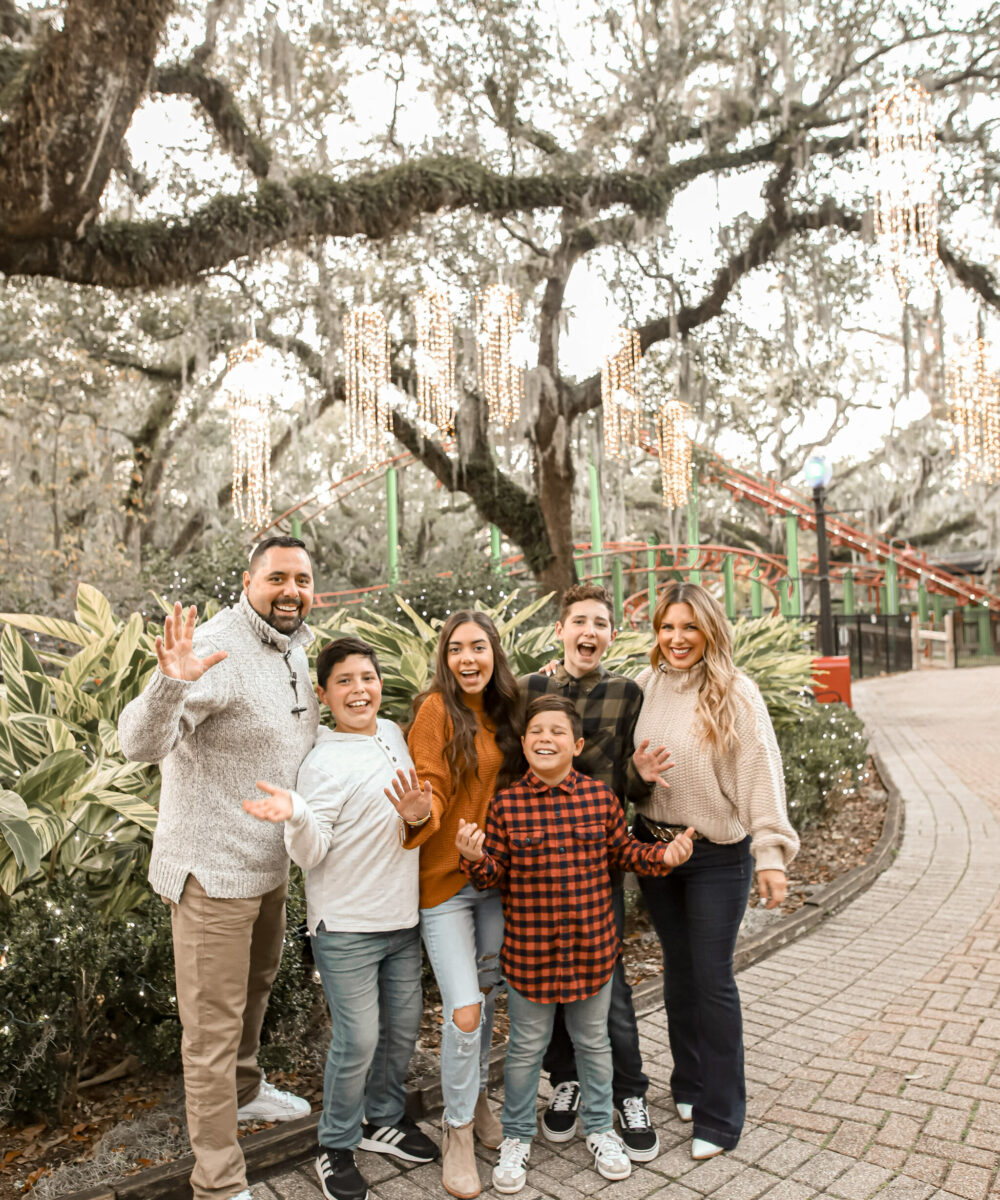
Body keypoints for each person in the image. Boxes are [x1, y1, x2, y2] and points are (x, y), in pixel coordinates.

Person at [118, 535, 319, 1200]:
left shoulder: (294, 644)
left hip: (269, 865)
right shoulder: (217, 647)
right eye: (277, 578)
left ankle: (246, 1091)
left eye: (302, 579)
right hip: (211, 874)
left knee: (255, 992)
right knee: (210, 1030)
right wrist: (171, 678)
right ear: (248, 581)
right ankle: (218, 1181)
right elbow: (140, 745)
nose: (291, 591)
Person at [455, 696, 694, 1195]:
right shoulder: (506, 804)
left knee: (593, 1044)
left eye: (557, 732)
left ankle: (601, 1129)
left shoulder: (600, 799)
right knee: (524, 1051)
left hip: (591, 951)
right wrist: (474, 858)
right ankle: (518, 1137)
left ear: (577, 744)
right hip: (530, 955)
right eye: (536, 731)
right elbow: (493, 875)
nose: (546, 738)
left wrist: (664, 854)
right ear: (524, 744)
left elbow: (624, 851)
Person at [244, 636, 440, 1200]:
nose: (360, 690)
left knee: (402, 1032)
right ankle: (335, 1144)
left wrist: (416, 813)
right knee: (358, 1042)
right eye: (345, 681)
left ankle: (382, 1120)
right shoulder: (323, 762)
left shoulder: (394, 734)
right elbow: (309, 853)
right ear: (323, 694)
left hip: (402, 922)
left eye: (368, 678)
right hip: (348, 928)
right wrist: (297, 815)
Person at [632, 581, 799, 1161]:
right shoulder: (642, 686)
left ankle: (722, 1114)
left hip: (714, 856)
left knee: (712, 977)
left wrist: (771, 855)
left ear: (709, 630)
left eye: (689, 627)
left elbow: (761, 777)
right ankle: (690, 1082)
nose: (676, 639)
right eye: (667, 627)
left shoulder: (734, 692)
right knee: (677, 970)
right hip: (653, 852)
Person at [521, 583, 673, 1160]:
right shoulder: (530, 689)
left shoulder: (625, 693)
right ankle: (567, 1082)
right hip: (536, 865)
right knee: (548, 978)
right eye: (579, 620)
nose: (589, 632)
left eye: (601, 623)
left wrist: (639, 774)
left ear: (611, 634)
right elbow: (517, 765)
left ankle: (629, 1091)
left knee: (607, 984)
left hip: (597, 865)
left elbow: (630, 789)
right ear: (559, 630)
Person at [404, 609, 522, 1199]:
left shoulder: (508, 710)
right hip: (446, 885)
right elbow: (430, 779)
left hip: (495, 881)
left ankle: (475, 1099)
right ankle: (456, 1133)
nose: (467, 659)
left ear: (495, 654)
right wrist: (420, 810)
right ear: (444, 659)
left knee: (490, 995)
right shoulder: (434, 710)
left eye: (479, 647)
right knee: (464, 1011)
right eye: (456, 649)